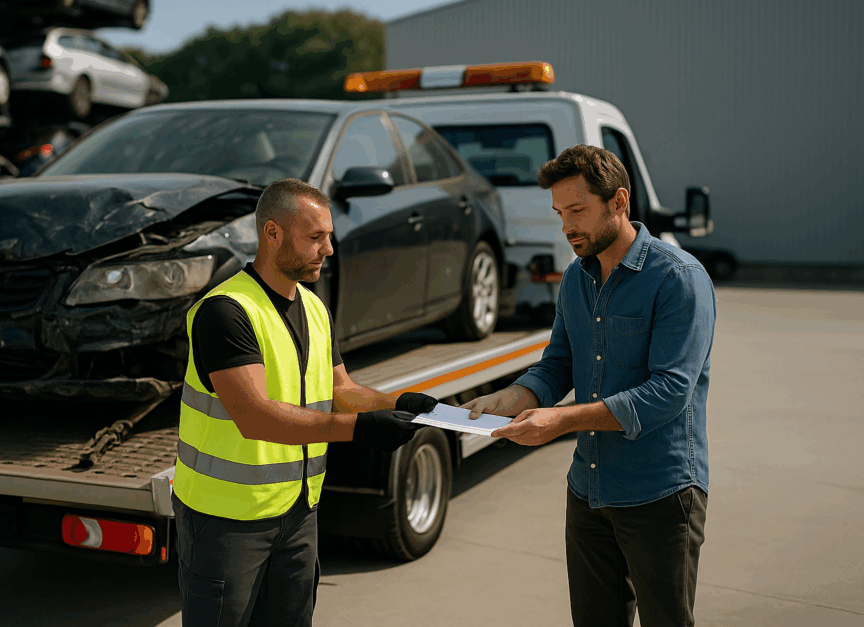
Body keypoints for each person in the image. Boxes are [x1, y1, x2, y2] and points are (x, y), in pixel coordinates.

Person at [464, 145, 716, 627]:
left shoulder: (679, 278)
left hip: (660, 494)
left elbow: (669, 391)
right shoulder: (577, 279)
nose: (566, 226)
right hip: (588, 489)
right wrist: (511, 398)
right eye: (560, 213)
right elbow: (558, 363)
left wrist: (560, 421)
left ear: (619, 201)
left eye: (577, 210)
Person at [171, 177, 438, 627]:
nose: (328, 249)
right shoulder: (226, 311)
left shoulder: (314, 307)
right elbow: (254, 417)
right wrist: (360, 430)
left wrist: (397, 403)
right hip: (227, 521)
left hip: (298, 512)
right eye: (315, 237)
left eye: (329, 236)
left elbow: (341, 390)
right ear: (271, 233)